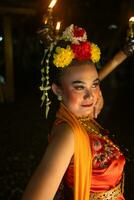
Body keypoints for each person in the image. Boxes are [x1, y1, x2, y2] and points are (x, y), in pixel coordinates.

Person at [22, 24, 127, 200]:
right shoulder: (68, 135)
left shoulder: (83, 116)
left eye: (95, 84)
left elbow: (90, 90)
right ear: (57, 91)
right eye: (79, 87)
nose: (90, 95)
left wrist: (123, 53)